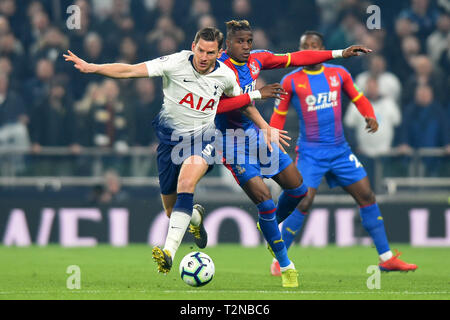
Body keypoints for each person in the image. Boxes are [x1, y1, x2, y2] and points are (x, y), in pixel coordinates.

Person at [64, 27, 286, 276]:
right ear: (193, 47)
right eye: (200, 50)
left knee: (187, 181)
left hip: (204, 138)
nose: (204, 56)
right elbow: (131, 70)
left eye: (210, 52)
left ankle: (168, 253)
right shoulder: (174, 63)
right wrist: (93, 67)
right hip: (170, 143)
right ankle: (194, 218)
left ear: (218, 53)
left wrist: (265, 127)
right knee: (171, 211)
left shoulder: (225, 76)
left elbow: (244, 104)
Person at [216, 20, 371, 287]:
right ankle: (286, 265)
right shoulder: (217, 68)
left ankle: (270, 226)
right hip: (231, 141)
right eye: (239, 42)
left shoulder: (256, 60)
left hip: (254, 133)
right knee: (264, 199)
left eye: (248, 41)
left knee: (298, 190)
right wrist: (256, 94)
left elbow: (299, 57)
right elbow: (219, 106)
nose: (245, 46)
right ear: (227, 44)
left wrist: (338, 53)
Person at [269, 31, 418, 276]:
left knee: (367, 195)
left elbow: (359, 98)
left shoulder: (339, 74)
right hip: (310, 152)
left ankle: (386, 258)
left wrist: (369, 114)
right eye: (306, 46)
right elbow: (279, 114)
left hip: (340, 150)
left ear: (323, 48)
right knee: (302, 200)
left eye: (315, 46)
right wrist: (272, 137)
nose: (311, 50)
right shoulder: (291, 81)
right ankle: (280, 259)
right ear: (300, 51)